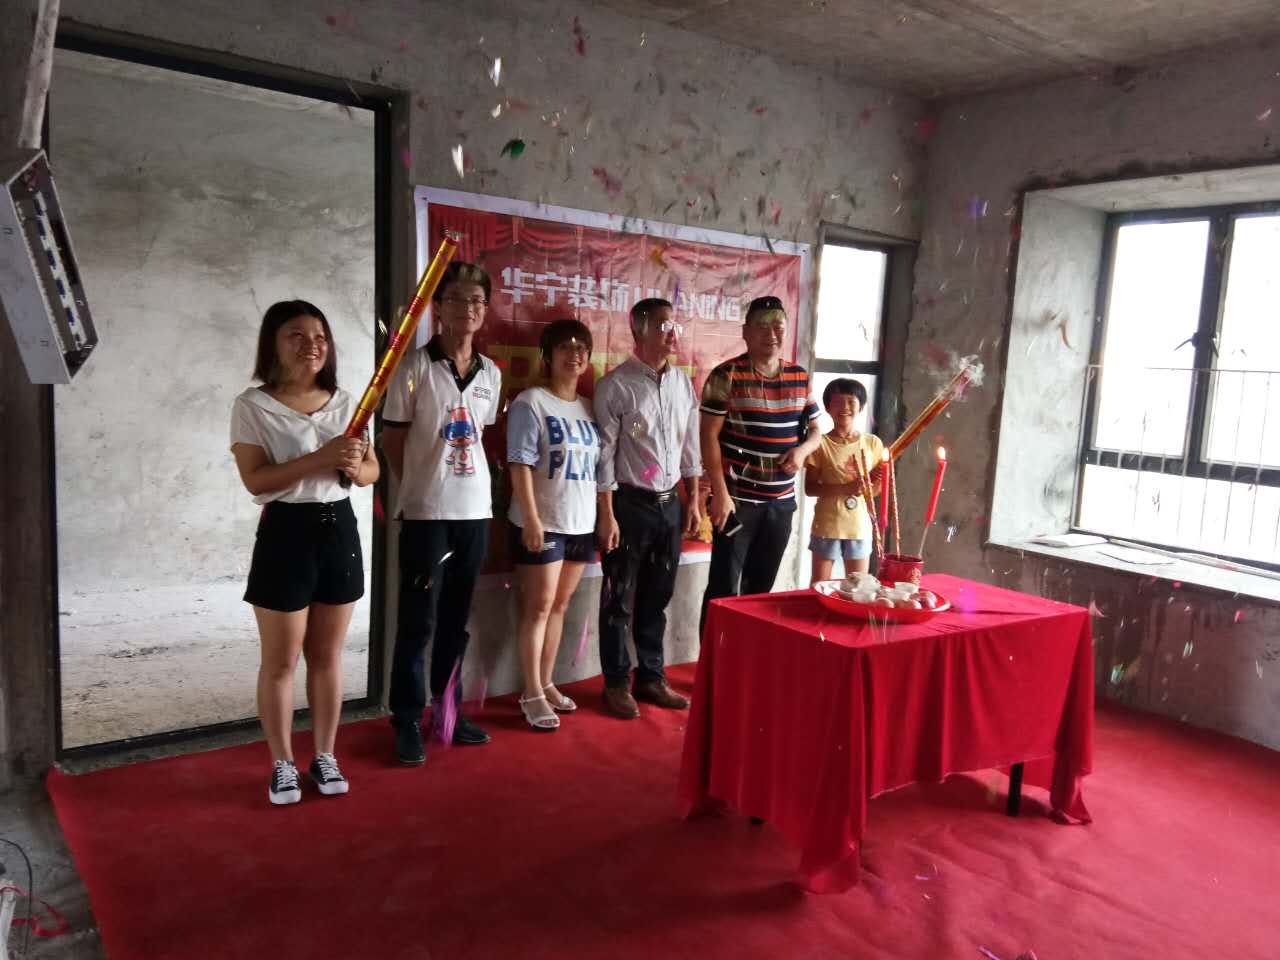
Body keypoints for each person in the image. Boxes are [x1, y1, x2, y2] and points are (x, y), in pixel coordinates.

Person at [230, 300, 379, 805]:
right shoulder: (253, 406)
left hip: (339, 529)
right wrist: (321, 457)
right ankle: (281, 763)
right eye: (296, 335)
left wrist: (353, 466)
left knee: (327, 656)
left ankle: (325, 754)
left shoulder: (349, 402)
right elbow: (256, 480)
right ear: (273, 344)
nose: (312, 344)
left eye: (319, 335)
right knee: (281, 661)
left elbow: (372, 471)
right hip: (285, 533)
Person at [382, 262, 503, 765]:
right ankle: (407, 718)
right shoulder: (412, 368)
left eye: (477, 301)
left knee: (457, 619)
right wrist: (415, 487)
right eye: (456, 299)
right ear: (438, 307)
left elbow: (479, 434)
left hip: (475, 512)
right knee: (418, 620)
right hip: (427, 514)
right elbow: (393, 439)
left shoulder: (491, 372)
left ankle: (447, 710)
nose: (468, 309)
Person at [594, 298, 703, 719]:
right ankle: (616, 682)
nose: (672, 333)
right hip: (628, 504)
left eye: (674, 325)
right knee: (618, 596)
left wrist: (693, 499)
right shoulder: (616, 385)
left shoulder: (682, 384)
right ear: (638, 331)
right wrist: (607, 513)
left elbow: (689, 446)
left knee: (658, 594)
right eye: (662, 325)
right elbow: (604, 455)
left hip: (669, 504)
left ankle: (651, 677)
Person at [699, 295, 821, 635]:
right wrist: (720, 495)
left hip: (780, 505)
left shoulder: (799, 376)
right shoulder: (726, 375)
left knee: (760, 592)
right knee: (723, 589)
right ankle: (713, 662)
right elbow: (708, 436)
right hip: (736, 504)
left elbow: (816, 431)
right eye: (762, 327)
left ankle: (747, 658)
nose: (772, 334)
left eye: (778, 327)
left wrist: (802, 452)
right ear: (746, 332)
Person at [506, 319, 600, 731]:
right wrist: (530, 518)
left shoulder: (590, 407)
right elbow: (519, 463)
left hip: (580, 521)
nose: (574, 354)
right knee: (538, 607)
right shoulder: (531, 402)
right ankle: (530, 692)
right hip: (542, 522)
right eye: (565, 347)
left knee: (559, 606)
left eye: (581, 348)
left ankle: (546, 682)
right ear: (547, 356)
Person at [804, 378, 884, 584]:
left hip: (859, 526)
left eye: (851, 402)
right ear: (827, 407)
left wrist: (873, 483)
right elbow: (810, 488)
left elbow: (875, 491)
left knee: (858, 586)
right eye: (838, 402)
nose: (845, 407)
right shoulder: (819, 443)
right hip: (826, 525)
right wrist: (846, 488)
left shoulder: (872, 443)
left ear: (861, 407)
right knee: (819, 584)